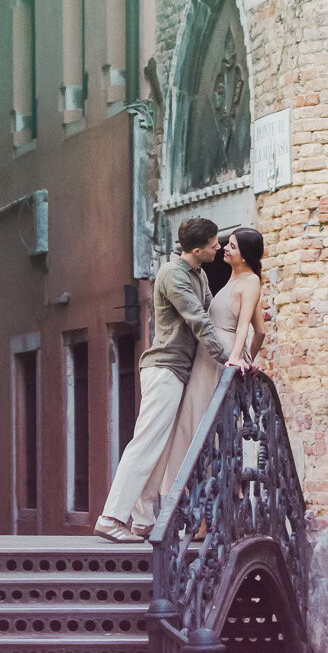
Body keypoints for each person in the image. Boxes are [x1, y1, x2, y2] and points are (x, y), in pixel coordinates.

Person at [96, 218, 244, 543]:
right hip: (163, 368)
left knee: (160, 448)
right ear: (196, 249)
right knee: (146, 444)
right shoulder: (173, 275)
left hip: (178, 371)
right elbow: (200, 321)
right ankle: (111, 518)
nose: (218, 248)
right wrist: (228, 359)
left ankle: (142, 520)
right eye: (213, 244)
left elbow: (212, 313)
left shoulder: (199, 274)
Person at [158, 227, 267, 500]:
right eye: (225, 244)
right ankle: (193, 501)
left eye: (231, 246)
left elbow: (247, 327)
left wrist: (240, 357)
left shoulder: (251, 281)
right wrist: (247, 356)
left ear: (244, 255)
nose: (224, 249)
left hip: (222, 357)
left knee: (210, 429)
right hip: (208, 356)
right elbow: (262, 331)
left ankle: (212, 507)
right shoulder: (230, 279)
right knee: (194, 424)